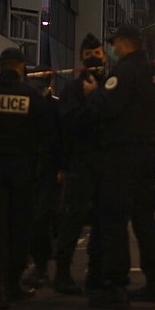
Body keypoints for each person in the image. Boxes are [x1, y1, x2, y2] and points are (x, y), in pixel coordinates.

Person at [83, 24, 155, 309]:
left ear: (124, 43)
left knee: (115, 221)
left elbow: (105, 109)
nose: (112, 49)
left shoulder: (124, 72)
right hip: (148, 155)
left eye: (114, 44)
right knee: (145, 220)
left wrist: (93, 93)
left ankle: (117, 286)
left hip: (122, 155)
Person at [0, 47, 52, 310]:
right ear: (21, 67)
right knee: (19, 230)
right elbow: (45, 135)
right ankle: (14, 286)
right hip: (22, 173)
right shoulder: (31, 96)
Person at [52, 34, 106, 296]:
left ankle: (95, 272)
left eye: (98, 54)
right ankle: (62, 273)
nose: (96, 59)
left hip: (102, 165)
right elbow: (68, 127)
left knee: (100, 222)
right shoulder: (74, 90)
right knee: (73, 220)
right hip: (81, 164)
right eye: (91, 54)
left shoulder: (107, 86)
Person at [23, 66, 64, 289]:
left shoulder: (55, 108)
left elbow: (62, 141)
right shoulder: (25, 107)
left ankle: (41, 267)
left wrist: (61, 168)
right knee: (30, 219)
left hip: (47, 170)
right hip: (28, 170)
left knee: (41, 218)